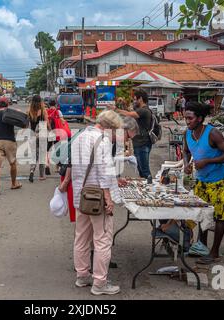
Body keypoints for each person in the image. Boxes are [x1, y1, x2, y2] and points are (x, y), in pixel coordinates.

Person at [71, 110, 123, 296]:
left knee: (81, 237)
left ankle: (82, 276)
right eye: (116, 130)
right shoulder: (102, 140)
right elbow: (105, 171)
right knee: (102, 240)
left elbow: (74, 167)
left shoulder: (79, 136)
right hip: (97, 197)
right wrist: (108, 199)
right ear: (109, 127)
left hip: (81, 195)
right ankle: (100, 284)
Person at [183, 102, 224, 264]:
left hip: (218, 181)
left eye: (190, 118)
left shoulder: (213, 133)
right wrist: (186, 164)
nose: (187, 121)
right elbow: (186, 151)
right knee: (201, 214)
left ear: (199, 119)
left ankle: (214, 253)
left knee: (220, 217)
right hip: (201, 181)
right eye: (185, 118)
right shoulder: (188, 133)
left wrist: (207, 161)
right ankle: (202, 246)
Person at [109, 88, 153, 179]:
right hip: (139, 143)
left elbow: (130, 114)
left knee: (144, 171)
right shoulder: (141, 109)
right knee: (141, 170)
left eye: (135, 99)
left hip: (143, 143)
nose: (134, 101)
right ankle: (145, 188)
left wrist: (116, 109)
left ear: (140, 99)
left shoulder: (144, 110)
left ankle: (150, 187)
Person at [0, 97, 22, 195]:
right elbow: (21, 120)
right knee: (12, 163)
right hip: (10, 141)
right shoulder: (10, 113)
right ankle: (13, 184)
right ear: (8, 104)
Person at [28, 95, 50, 182]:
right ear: (41, 102)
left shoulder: (29, 111)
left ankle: (32, 170)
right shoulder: (43, 111)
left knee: (34, 155)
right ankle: (41, 175)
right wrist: (51, 130)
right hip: (42, 135)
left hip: (33, 135)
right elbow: (47, 123)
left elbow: (26, 124)